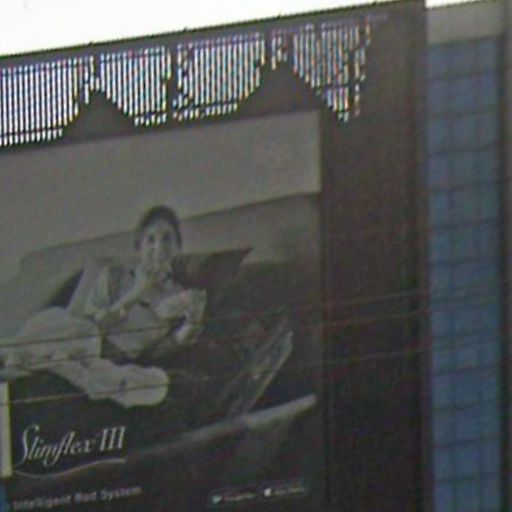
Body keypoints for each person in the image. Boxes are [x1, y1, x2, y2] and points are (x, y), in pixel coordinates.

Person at [0, 206, 207, 408]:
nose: (159, 247)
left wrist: (194, 320)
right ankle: (20, 357)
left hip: (110, 362)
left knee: (155, 386)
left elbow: (167, 347)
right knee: (69, 328)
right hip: (82, 338)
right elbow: (94, 325)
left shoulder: (180, 296)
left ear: (178, 245)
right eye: (150, 240)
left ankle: (31, 360)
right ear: (139, 246)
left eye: (167, 238)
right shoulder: (114, 275)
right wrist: (137, 291)